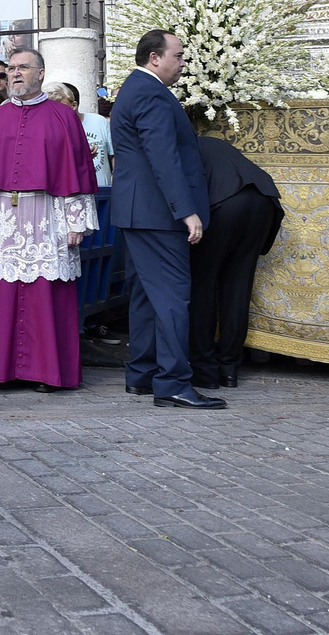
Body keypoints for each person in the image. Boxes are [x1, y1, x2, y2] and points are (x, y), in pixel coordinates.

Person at [0, 50, 98, 391]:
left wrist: (76, 221)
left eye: (23, 68)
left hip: (47, 215)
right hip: (2, 216)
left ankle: (47, 372)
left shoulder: (64, 118)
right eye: (11, 68)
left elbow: (76, 173)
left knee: (46, 292)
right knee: (2, 293)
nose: (15, 74)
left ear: (41, 73)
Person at [110, 30, 224, 409]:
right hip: (158, 213)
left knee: (146, 295)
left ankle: (142, 373)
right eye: (179, 55)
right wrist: (186, 211)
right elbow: (163, 156)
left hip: (140, 211)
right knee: (173, 296)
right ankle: (173, 381)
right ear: (155, 58)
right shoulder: (150, 92)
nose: (183, 63)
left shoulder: (136, 89)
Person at [190, 135, 283, 389]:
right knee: (238, 287)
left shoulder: (181, 144)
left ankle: (204, 367)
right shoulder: (214, 143)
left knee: (203, 285)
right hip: (264, 201)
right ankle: (229, 368)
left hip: (226, 203)